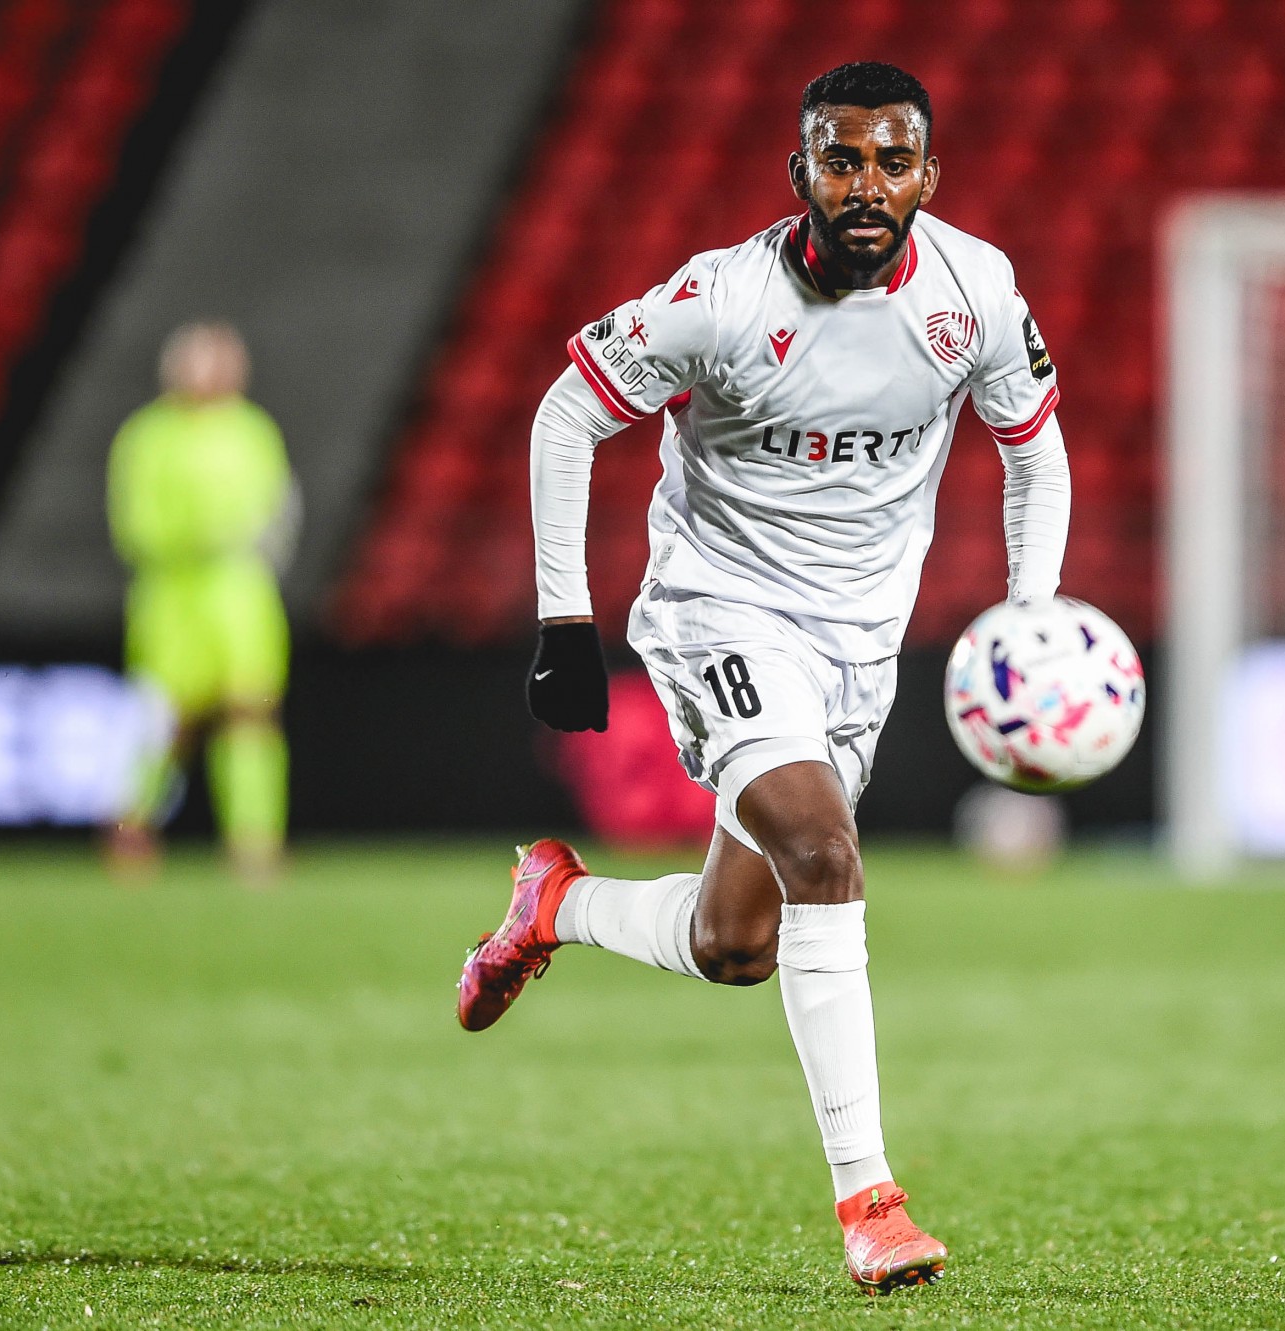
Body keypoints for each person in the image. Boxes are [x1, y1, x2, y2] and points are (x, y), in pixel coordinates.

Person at [458, 63, 1071, 1293]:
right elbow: (565, 415)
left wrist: (1030, 614)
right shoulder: (720, 301)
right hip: (721, 613)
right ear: (799, 172)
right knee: (824, 850)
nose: (865, 185)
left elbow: (1034, 452)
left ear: (927, 176)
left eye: (891, 162)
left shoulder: (976, 291)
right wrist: (564, 618)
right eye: (839, 161)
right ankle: (871, 1201)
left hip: (857, 647)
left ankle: (554, 901)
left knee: (735, 941)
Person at [106, 322, 297, 885]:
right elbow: (135, 523)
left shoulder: (254, 429)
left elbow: (278, 508)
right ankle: (132, 824)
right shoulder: (147, 436)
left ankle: (255, 840)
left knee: (251, 712)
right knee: (171, 719)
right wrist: (195, 536)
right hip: (172, 593)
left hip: (241, 592)